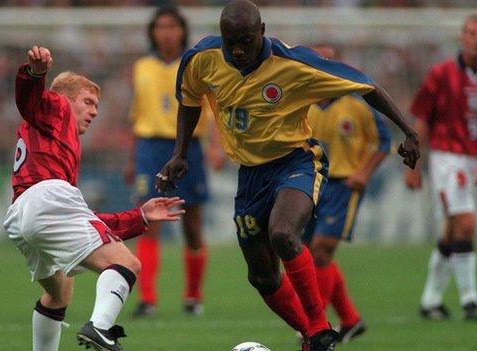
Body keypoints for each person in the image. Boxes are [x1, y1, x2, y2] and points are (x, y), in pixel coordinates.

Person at [155, 1, 419, 350]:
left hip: (295, 162)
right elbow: (190, 99)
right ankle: (313, 337)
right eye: (230, 40)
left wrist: (409, 132)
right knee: (261, 275)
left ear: (262, 32)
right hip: (249, 176)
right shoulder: (202, 58)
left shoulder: (294, 64)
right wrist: (180, 152)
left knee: (283, 233)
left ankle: (321, 326)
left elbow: (367, 85)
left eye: (245, 41)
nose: (237, 49)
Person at [2, 45, 186, 351]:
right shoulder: (56, 109)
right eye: (88, 102)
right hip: (46, 201)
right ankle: (100, 328)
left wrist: (139, 217)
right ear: (64, 101)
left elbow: (87, 220)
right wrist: (34, 73)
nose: (95, 111)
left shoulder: (54, 143)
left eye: (96, 105)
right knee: (127, 264)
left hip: (21, 216)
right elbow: (28, 98)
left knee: (60, 291)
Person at [125, 6, 224, 317]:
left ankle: (193, 297)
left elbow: (213, 107)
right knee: (148, 223)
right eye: (160, 27)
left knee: (192, 225)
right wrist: (132, 156)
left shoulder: (196, 63)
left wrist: (215, 146)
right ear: (152, 32)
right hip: (150, 147)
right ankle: (148, 299)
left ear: (182, 30)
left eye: (172, 26)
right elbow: (138, 114)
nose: (166, 32)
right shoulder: (141, 66)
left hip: (188, 147)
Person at [302, 43, 391, 343]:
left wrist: (363, 172)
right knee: (312, 254)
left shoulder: (357, 104)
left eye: (329, 59)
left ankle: (316, 327)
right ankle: (350, 320)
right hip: (310, 184)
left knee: (322, 249)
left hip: (343, 185)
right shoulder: (303, 102)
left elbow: (383, 141)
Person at [405, 13, 477, 321]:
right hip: (448, 159)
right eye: (472, 33)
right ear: (461, 37)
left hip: (473, 160)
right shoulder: (441, 74)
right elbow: (421, 120)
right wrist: (413, 166)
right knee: (466, 224)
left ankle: (430, 300)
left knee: (451, 235)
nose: (476, 39)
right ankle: (470, 299)